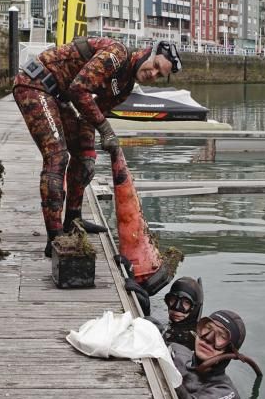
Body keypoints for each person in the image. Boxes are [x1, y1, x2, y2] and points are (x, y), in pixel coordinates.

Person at [13, 37, 182, 256]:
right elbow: (79, 90)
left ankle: (73, 220)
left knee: (84, 159)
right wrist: (106, 130)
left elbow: (89, 115)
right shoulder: (117, 54)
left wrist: (87, 151)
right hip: (35, 83)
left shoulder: (125, 88)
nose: (153, 74)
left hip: (57, 95)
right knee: (57, 157)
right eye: (156, 66)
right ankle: (54, 238)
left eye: (159, 76)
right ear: (147, 53)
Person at [171, 309, 262, 399]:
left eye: (222, 336)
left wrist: (169, 372)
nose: (208, 339)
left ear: (230, 350)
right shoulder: (177, 350)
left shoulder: (226, 392)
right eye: (208, 328)